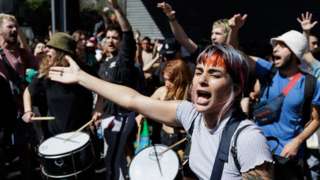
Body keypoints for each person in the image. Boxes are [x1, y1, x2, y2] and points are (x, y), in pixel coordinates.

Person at [48, 44, 273, 180]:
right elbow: (133, 99)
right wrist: (81, 78)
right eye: (200, 71)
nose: (202, 80)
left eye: (214, 74)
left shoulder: (247, 138)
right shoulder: (191, 114)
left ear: (234, 88)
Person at [248, 29, 320, 179]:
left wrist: (297, 141)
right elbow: (236, 56)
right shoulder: (268, 71)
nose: (275, 48)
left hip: (288, 157)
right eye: (275, 45)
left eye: (281, 45)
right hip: (257, 151)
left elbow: (316, 119)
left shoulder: (310, 83)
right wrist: (234, 31)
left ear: (294, 52)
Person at [91, 0, 143, 179]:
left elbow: (127, 31)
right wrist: (97, 112)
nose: (111, 41)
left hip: (121, 115)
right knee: (114, 157)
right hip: (107, 115)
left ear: (121, 42)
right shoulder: (103, 64)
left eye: (115, 38)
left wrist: (116, 8)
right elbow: (101, 92)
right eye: (108, 37)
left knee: (111, 158)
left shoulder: (124, 60)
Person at [22, 32, 93, 138]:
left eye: (50, 47)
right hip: (56, 136)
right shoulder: (46, 74)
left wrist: (98, 110)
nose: (45, 50)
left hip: (82, 134)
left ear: (62, 52)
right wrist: (28, 111)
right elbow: (28, 91)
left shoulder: (82, 70)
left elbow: (102, 91)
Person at [0, 13, 38, 179]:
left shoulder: (22, 53)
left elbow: (35, 63)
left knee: (26, 152)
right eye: (10, 26)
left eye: (16, 27)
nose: (14, 30)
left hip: (22, 108)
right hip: (3, 110)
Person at [157, 2, 247, 58]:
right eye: (212, 33)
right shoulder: (205, 53)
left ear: (228, 34)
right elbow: (183, 40)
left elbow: (230, 50)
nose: (213, 37)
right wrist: (171, 18)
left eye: (218, 34)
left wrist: (234, 30)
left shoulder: (237, 57)